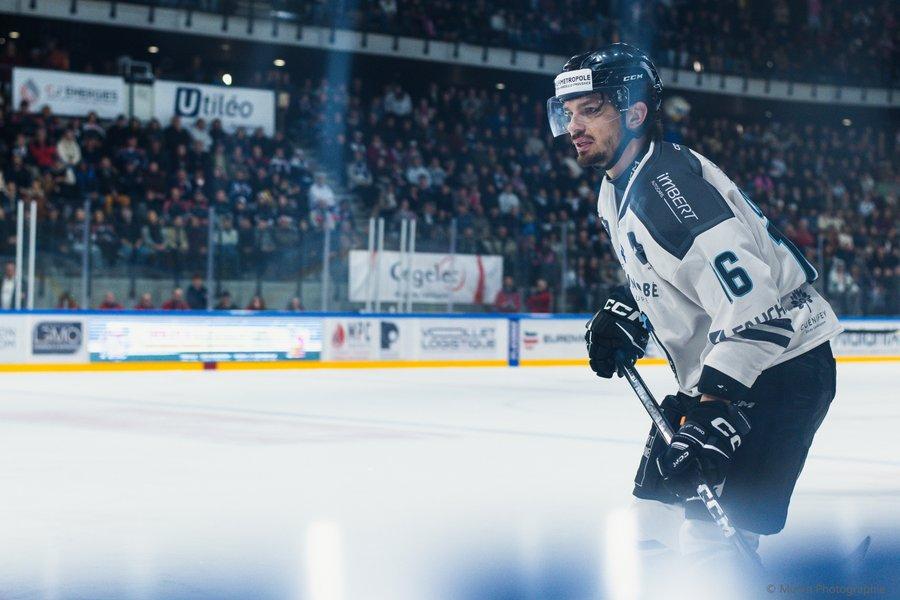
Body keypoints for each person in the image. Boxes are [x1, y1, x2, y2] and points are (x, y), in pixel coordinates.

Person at [549, 44, 841, 567]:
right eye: (568, 113)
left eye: (590, 110)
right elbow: (680, 278)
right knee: (651, 516)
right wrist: (631, 312)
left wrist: (713, 413)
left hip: (778, 372)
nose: (574, 126)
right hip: (722, 373)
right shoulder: (617, 188)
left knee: (712, 540)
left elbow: (757, 310)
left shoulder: (665, 193)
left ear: (635, 113)